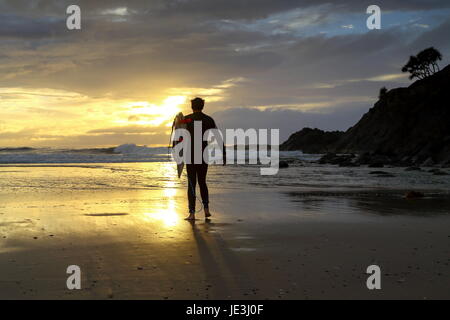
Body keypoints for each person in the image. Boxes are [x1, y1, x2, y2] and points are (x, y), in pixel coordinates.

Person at [183, 97, 225, 220]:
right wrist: (223, 154)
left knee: (191, 184)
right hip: (203, 155)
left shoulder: (187, 119)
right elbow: (218, 136)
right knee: (202, 182)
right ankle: (206, 210)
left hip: (190, 155)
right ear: (203, 106)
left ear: (192, 106)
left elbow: (178, 136)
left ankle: (192, 214)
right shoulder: (208, 119)